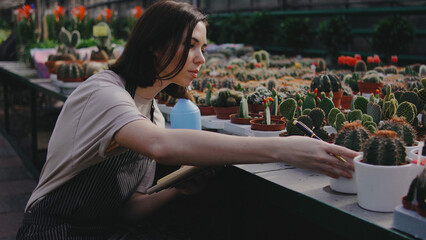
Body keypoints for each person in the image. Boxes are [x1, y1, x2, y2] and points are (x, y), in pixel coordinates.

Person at [17, 1, 357, 239]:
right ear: (154, 45)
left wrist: (177, 190)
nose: (201, 58)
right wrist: (282, 150)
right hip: (51, 232)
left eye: (204, 47)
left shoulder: (151, 113)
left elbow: (128, 208)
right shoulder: (103, 92)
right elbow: (160, 147)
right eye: (191, 45)